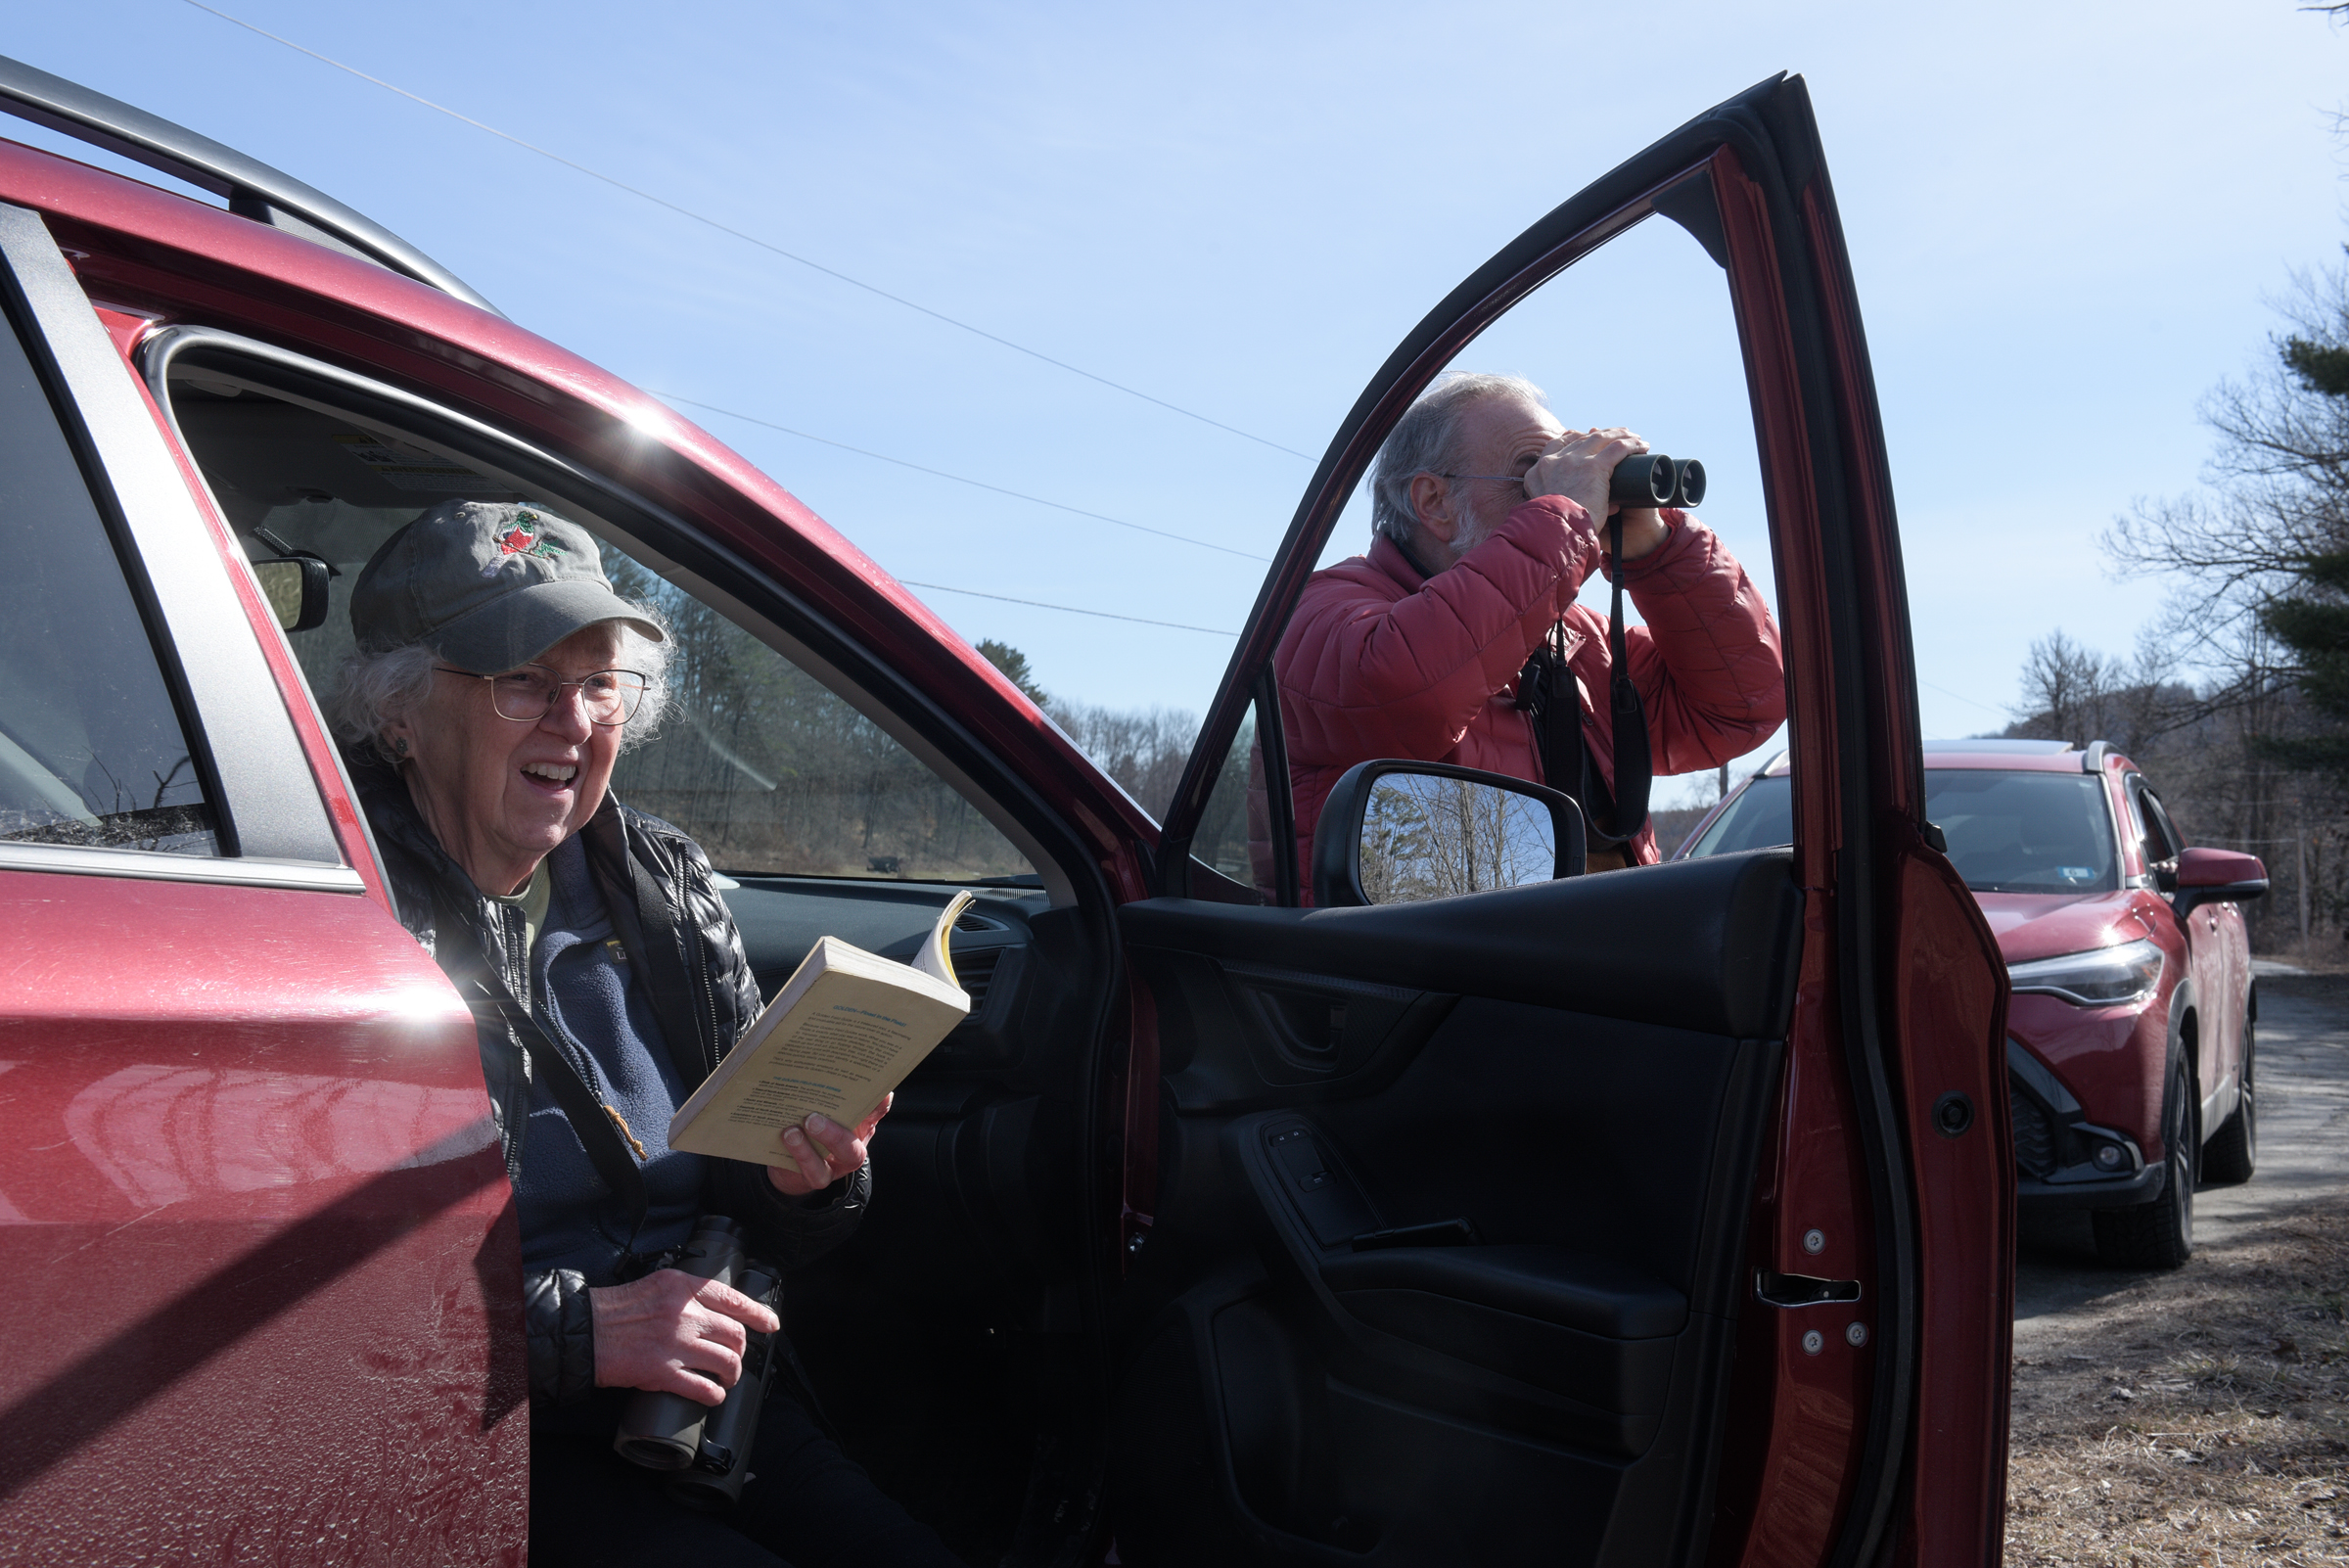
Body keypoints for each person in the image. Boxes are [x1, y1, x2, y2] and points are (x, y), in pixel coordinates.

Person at [329, 498, 963, 1568]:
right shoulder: (341, 918)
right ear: (401, 713)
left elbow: (762, 1209)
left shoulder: (656, 881)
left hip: (703, 1398)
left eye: (596, 683)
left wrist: (804, 1180)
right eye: (520, 680)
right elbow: (315, 1302)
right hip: (487, 1434)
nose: (572, 722)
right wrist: (584, 1334)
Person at [1275, 373, 1785, 880]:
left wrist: (1659, 551)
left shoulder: (1579, 642)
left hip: (1596, 946)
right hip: (1424, 955)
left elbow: (1743, 706)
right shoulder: (1325, 609)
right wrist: (1564, 518)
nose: (1570, 494)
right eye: (1533, 476)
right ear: (1434, 502)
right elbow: (1407, 692)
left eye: (1562, 473)